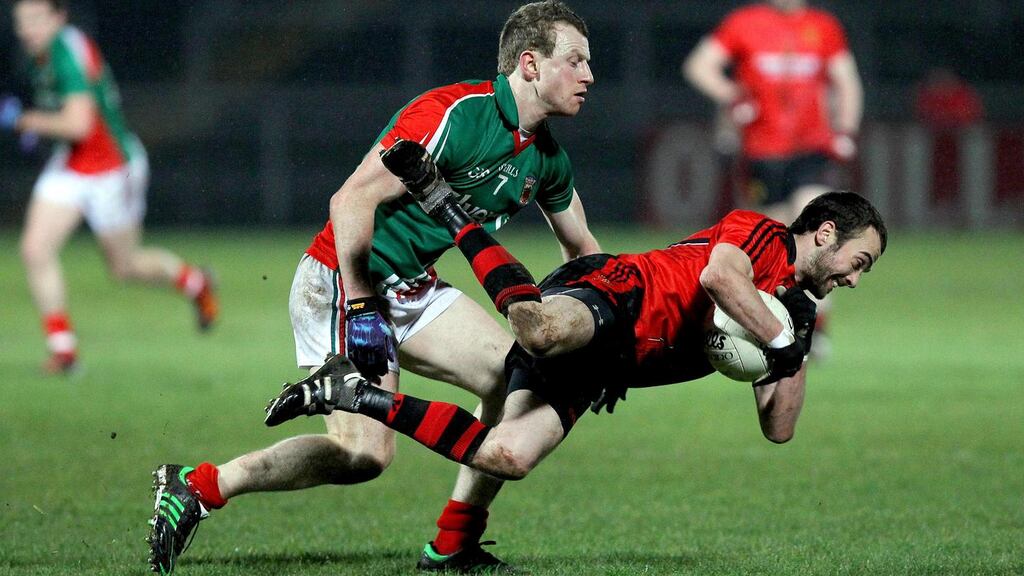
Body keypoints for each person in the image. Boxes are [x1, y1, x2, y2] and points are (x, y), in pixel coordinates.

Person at [147, 2, 599, 574]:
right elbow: (350, 200)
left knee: (517, 378)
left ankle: (454, 541)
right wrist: (360, 303)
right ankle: (200, 485)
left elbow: (584, 253)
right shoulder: (455, 114)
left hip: (411, 287)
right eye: (576, 61)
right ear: (531, 65)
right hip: (342, 278)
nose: (589, 75)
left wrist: (600, 331)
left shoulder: (546, 158)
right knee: (363, 455)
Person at [266, 186, 886, 497]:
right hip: (617, 292)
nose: (855, 281)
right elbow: (719, 278)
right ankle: (451, 211)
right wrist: (780, 334)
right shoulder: (763, 236)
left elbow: (777, 429)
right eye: (858, 262)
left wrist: (795, 346)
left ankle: (361, 399)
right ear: (826, 233)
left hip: (614, 359)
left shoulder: (791, 316)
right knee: (535, 332)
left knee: (508, 457)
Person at [1, 0, 218, 375]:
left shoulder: (66, 54)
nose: (28, 29)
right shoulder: (43, 53)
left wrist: (25, 121)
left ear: (59, 17)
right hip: (72, 165)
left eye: (37, 19)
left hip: (111, 168)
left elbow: (79, 125)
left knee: (125, 266)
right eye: (22, 21)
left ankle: (195, 282)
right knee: (35, 249)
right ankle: (64, 349)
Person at [682, 0, 864, 359]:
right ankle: (778, 323)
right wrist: (733, 95)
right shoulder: (744, 23)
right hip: (761, 152)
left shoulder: (823, 26)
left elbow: (847, 81)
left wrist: (846, 130)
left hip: (812, 148)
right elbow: (699, 66)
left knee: (819, 225)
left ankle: (816, 326)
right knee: (776, 242)